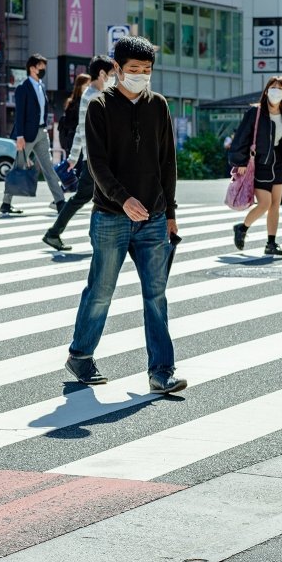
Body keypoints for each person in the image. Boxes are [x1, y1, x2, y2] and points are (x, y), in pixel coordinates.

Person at [64, 36, 186, 395]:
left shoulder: (158, 105)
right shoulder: (99, 106)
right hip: (110, 216)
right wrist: (123, 199)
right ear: (116, 68)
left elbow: (168, 161)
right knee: (101, 291)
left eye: (146, 71)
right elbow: (97, 164)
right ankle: (81, 355)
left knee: (156, 294)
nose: (140, 76)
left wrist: (170, 213)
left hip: (154, 216)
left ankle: (161, 370)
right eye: (133, 70)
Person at [42, 56, 114, 251]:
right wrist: (75, 157)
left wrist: (74, 157)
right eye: (112, 75)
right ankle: (56, 233)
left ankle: (55, 233)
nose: (114, 79)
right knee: (89, 198)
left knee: (88, 198)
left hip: (95, 158)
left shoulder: (95, 94)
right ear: (101, 74)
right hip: (97, 159)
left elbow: (81, 131)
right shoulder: (93, 97)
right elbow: (84, 130)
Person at [229, 76, 282, 256]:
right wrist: (240, 161)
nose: (277, 91)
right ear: (266, 91)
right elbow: (242, 137)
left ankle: (271, 243)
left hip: (278, 163)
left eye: (280, 88)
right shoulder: (256, 112)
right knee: (265, 203)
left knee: (276, 204)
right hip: (259, 163)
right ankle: (242, 228)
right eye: (273, 87)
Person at [0, 54, 66, 215]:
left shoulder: (41, 86)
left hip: (42, 132)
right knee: (18, 166)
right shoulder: (23, 88)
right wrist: (20, 136)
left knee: (48, 168)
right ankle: (6, 204)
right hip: (27, 135)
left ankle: (60, 202)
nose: (43, 70)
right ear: (32, 68)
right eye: (41, 67)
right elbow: (19, 114)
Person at [57, 73, 90, 158]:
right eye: (87, 85)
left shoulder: (89, 100)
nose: (89, 87)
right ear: (80, 86)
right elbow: (68, 123)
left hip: (86, 140)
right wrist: (82, 124)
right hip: (74, 140)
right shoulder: (73, 103)